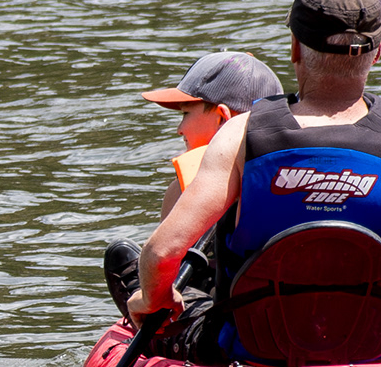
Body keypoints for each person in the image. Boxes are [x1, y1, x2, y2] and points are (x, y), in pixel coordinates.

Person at [129, 0, 381, 358]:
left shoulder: (242, 135)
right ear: (376, 53)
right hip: (371, 348)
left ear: (295, 48)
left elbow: (162, 253)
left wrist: (152, 301)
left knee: (139, 269)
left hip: (249, 353)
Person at [102, 48, 286, 318]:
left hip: (228, 324)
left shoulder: (189, 181)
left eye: (186, 114)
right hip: (286, 309)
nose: (179, 129)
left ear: (223, 119)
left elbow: (165, 263)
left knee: (121, 258)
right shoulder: (298, 165)